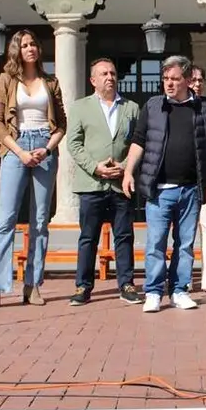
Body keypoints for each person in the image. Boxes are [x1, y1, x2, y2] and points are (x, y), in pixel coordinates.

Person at [122, 56, 206, 313]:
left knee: (185, 243)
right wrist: (128, 171)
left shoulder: (204, 109)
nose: (169, 84)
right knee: (156, 242)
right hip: (159, 189)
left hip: (191, 188)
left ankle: (179, 290)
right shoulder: (153, 106)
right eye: (166, 79)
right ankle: (154, 292)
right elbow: (139, 140)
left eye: (175, 79)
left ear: (188, 80)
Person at [0, 29, 66, 311]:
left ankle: (33, 284)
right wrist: (20, 151)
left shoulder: (51, 82)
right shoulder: (6, 80)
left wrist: (47, 149)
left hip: (44, 147)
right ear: (17, 50)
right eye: (25, 45)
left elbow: (62, 124)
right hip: (15, 149)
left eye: (34, 44)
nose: (30, 49)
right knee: (5, 220)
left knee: (40, 220)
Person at [65, 57, 142, 306]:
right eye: (104, 74)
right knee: (88, 237)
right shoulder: (79, 108)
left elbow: (137, 142)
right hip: (91, 184)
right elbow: (73, 144)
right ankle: (82, 286)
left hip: (121, 183)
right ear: (92, 80)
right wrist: (95, 167)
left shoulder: (131, 107)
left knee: (124, 235)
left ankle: (126, 284)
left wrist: (125, 166)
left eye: (112, 73)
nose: (110, 77)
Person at [171, 66, 206, 295]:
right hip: (184, 179)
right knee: (184, 231)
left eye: (201, 79)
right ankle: (182, 279)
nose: (198, 83)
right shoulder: (174, 107)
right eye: (193, 79)